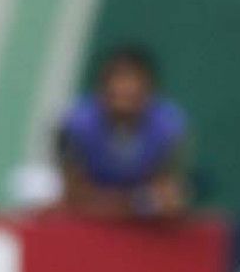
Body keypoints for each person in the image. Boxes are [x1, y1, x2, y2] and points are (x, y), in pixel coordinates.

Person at [55, 45, 190, 220]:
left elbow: (167, 190)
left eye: (134, 81)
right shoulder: (75, 123)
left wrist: (137, 203)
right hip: (90, 195)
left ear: (150, 89)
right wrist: (111, 205)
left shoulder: (168, 127)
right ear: (101, 87)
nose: (125, 89)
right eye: (118, 80)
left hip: (140, 200)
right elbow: (73, 190)